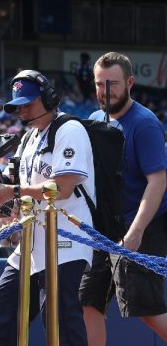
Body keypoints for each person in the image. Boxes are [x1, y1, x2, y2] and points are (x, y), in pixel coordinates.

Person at [0, 70, 94, 346]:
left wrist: (14, 191)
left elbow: (63, 187)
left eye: (28, 103)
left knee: (59, 319)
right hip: (32, 241)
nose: (22, 111)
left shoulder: (70, 129)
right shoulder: (28, 138)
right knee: (3, 306)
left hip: (66, 238)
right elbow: (14, 186)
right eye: (18, 105)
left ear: (49, 98)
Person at [80, 52, 167, 345]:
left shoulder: (145, 124)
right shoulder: (93, 120)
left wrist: (137, 231)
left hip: (143, 225)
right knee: (87, 301)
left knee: (145, 309)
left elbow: (158, 180)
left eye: (113, 83)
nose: (106, 91)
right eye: (99, 83)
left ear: (129, 82)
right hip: (104, 229)